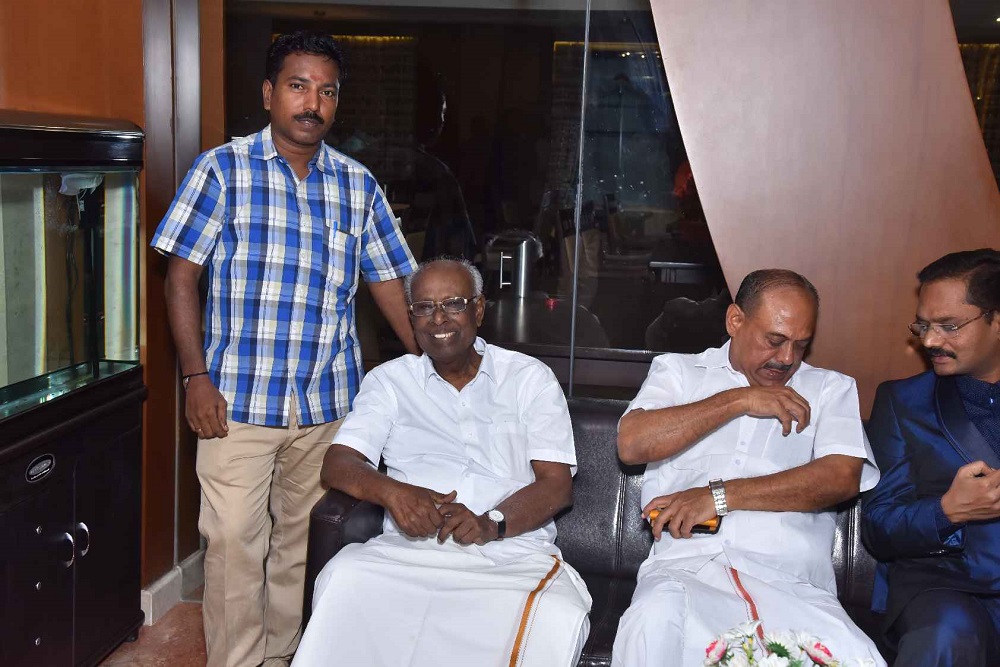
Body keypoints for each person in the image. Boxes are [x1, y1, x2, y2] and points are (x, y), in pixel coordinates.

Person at [150, 31, 418, 667]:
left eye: (327, 91)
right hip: (236, 402)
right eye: (299, 86)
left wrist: (436, 372)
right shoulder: (222, 170)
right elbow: (180, 278)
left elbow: (392, 284)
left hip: (327, 406)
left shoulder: (357, 185)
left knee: (302, 546)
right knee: (233, 547)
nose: (312, 103)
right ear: (269, 93)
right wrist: (194, 377)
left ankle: (282, 656)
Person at [293, 258, 592, 667]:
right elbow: (338, 463)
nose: (438, 319)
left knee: (556, 614)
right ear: (411, 317)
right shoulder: (390, 382)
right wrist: (394, 493)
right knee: (343, 578)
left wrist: (491, 522)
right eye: (424, 307)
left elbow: (556, 485)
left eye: (453, 304)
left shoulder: (528, 378)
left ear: (478, 309)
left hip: (509, 554)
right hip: (407, 550)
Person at [612, 269, 885, 666]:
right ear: (735, 320)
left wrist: (719, 497)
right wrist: (739, 399)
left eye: (801, 344)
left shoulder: (830, 388)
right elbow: (632, 444)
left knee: (855, 656)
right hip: (684, 574)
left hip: (791, 584)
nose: (787, 358)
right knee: (650, 629)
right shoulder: (679, 372)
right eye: (774, 341)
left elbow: (840, 478)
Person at [862, 249, 1000, 667]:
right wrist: (947, 511)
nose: (929, 341)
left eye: (948, 326)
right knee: (945, 636)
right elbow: (878, 528)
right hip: (946, 586)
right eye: (923, 325)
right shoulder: (904, 402)